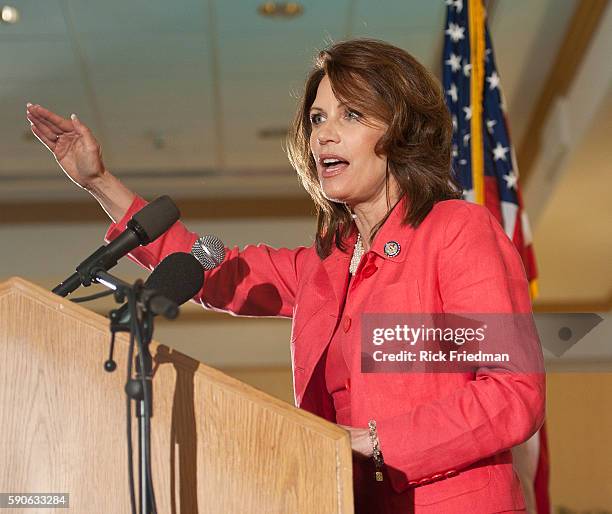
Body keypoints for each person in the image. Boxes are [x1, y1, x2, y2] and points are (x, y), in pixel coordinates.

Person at [26, 38, 545, 513]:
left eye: (352, 114)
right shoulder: (327, 263)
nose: (325, 134)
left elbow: (513, 393)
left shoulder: (457, 230)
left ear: (402, 131)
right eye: (318, 118)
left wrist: (372, 440)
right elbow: (213, 271)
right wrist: (97, 181)